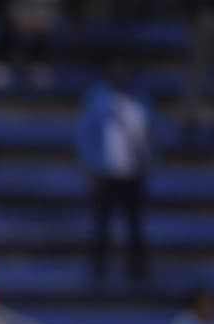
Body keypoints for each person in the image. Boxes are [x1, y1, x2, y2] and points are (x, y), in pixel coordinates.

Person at [78, 63, 153, 284]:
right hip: (107, 174)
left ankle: (137, 267)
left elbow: (149, 134)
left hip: (132, 173)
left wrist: (147, 161)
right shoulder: (97, 101)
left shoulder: (138, 102)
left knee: (134, 223)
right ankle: (98, 267)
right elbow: (86, 135)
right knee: (102, 224)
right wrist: (91, 167)